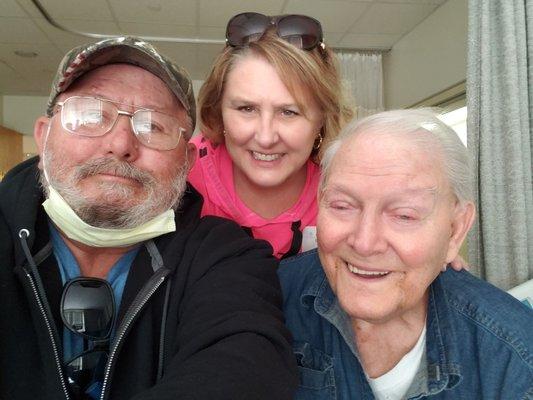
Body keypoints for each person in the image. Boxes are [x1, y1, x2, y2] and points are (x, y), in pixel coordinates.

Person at [0, 36, 298, 400]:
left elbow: (246, 367)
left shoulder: (226, 254)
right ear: (44, 137)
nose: (121, 143)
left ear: (187, 161)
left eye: (153, 126)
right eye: (92, 115)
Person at [279, 109, 533, 399]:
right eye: (342, 206)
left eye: (404, 215)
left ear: (455, 230)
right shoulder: (267, 302)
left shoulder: (515, 358)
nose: (364, 242)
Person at [188, 12, 354, 259]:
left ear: (322, 119)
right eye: (246, 109)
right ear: (218, 110)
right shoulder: (182, 175)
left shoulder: (346, 189)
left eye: (289, 112)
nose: (266, 138)